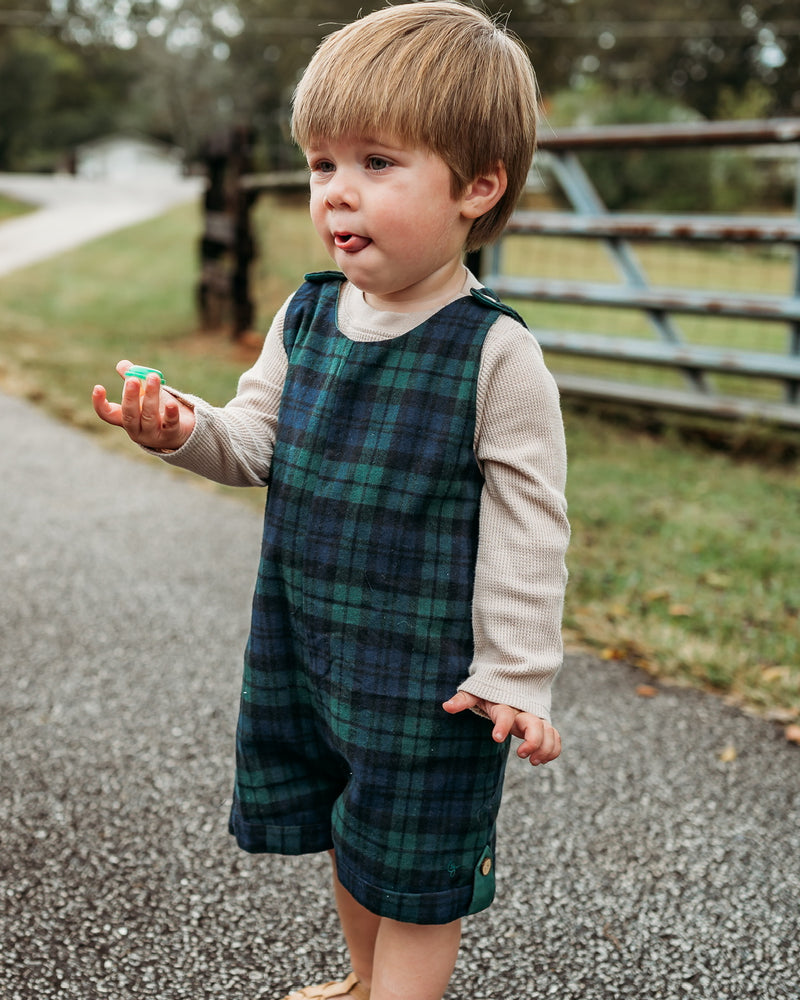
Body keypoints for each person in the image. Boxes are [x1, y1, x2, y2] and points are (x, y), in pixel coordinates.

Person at [91, 4, 569, 998]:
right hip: (311, 645)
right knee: (354, 834)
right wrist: (184, 431)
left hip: (432, 679)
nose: (337, 192)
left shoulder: (494, 352)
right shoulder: (307, 314)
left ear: (478, 186)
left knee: (418, 868)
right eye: (322, 164)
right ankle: (360, 980)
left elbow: (532, 526)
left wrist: (514, 672)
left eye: (378, 164)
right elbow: (254, 440)